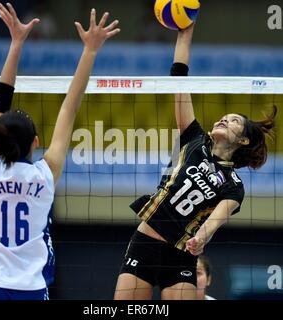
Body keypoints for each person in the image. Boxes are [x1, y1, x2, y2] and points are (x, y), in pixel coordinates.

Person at [114, 23, 276, 300]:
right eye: (224, 116)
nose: (224, 118)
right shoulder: (194, 140)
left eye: (234, 120)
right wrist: (184, 33)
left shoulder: (234, 187)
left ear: (244, 141)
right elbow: (179, 79)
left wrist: (201, 239)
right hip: (145, 244)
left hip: (180, 256)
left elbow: (213, 222)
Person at [0, 3, 120, 300]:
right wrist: (90, 51)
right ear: (36, 141)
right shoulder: (45, 174)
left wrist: (16, 43)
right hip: (32, 289)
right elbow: (70, 106)